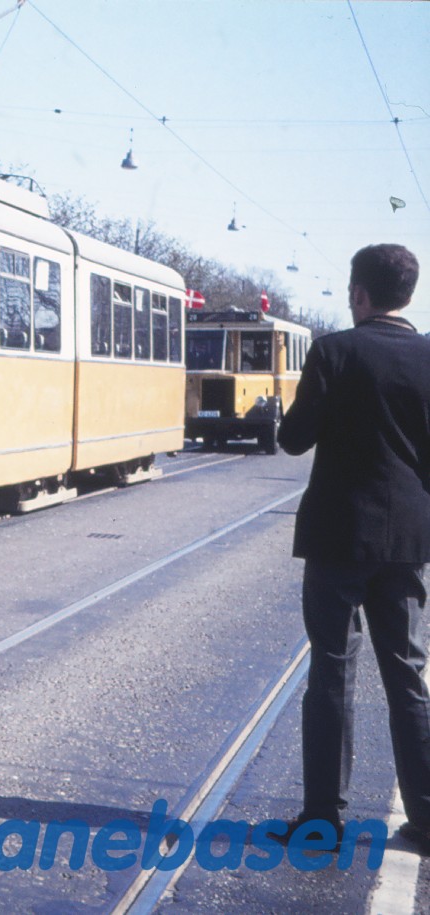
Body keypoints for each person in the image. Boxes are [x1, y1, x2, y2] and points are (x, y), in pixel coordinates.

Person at [276, 243, 430, 855]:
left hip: (338, 536)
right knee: (408, 674)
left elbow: (293, 439)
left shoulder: (334, 351)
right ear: (409, 295)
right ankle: (427, 816)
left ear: (360, 294)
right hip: (409, 542)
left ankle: (323, 819)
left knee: (332, 672)